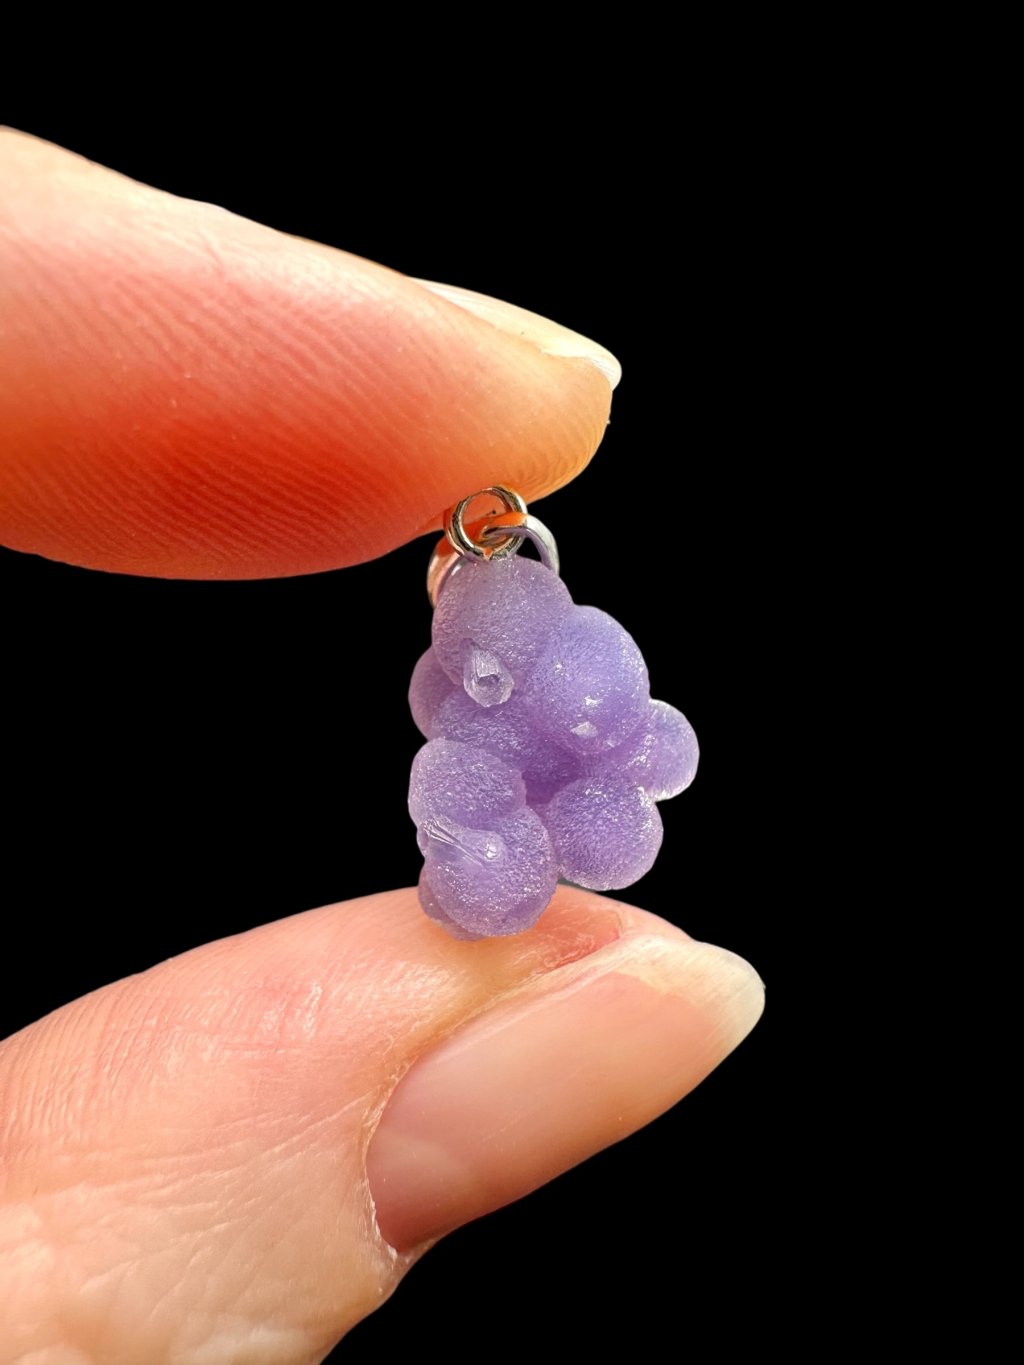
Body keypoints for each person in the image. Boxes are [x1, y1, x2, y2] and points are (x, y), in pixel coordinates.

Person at [0, 129, 764, 1363]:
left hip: (574, 781)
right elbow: (484, 765)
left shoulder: (575, 661)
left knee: (568, 821)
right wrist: (494, 817)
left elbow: (640, 741)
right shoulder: (468, 717)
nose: (497, 681)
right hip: (505, 813)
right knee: (489, 851)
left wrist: (615, 748)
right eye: (485, 670)